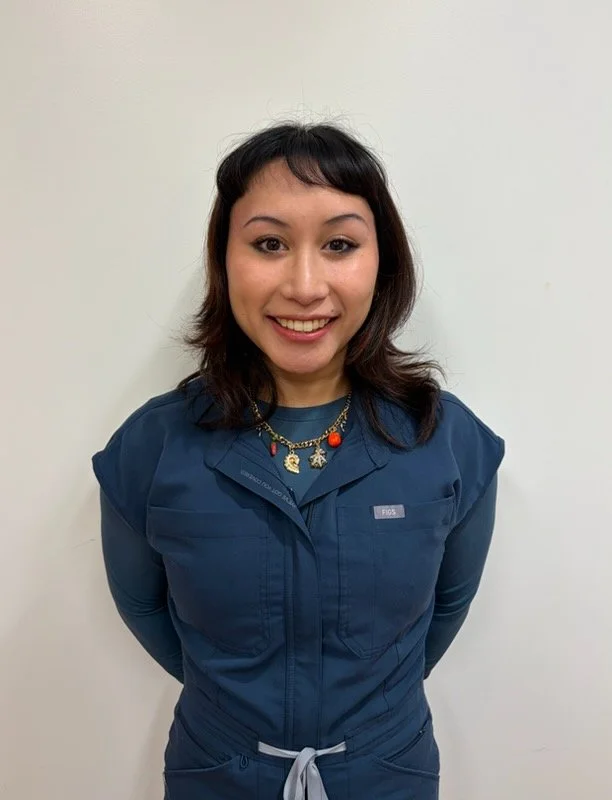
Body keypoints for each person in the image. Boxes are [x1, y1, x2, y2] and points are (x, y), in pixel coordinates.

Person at [92, 121, 505, 800]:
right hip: (217, 773)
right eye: (269, 244)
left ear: (384, 263)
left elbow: (444, 613)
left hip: (387, 773)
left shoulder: (448, 441)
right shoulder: (152, 447)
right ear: (225, 262)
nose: (306, 285)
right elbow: (145, 610)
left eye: (339, 244)